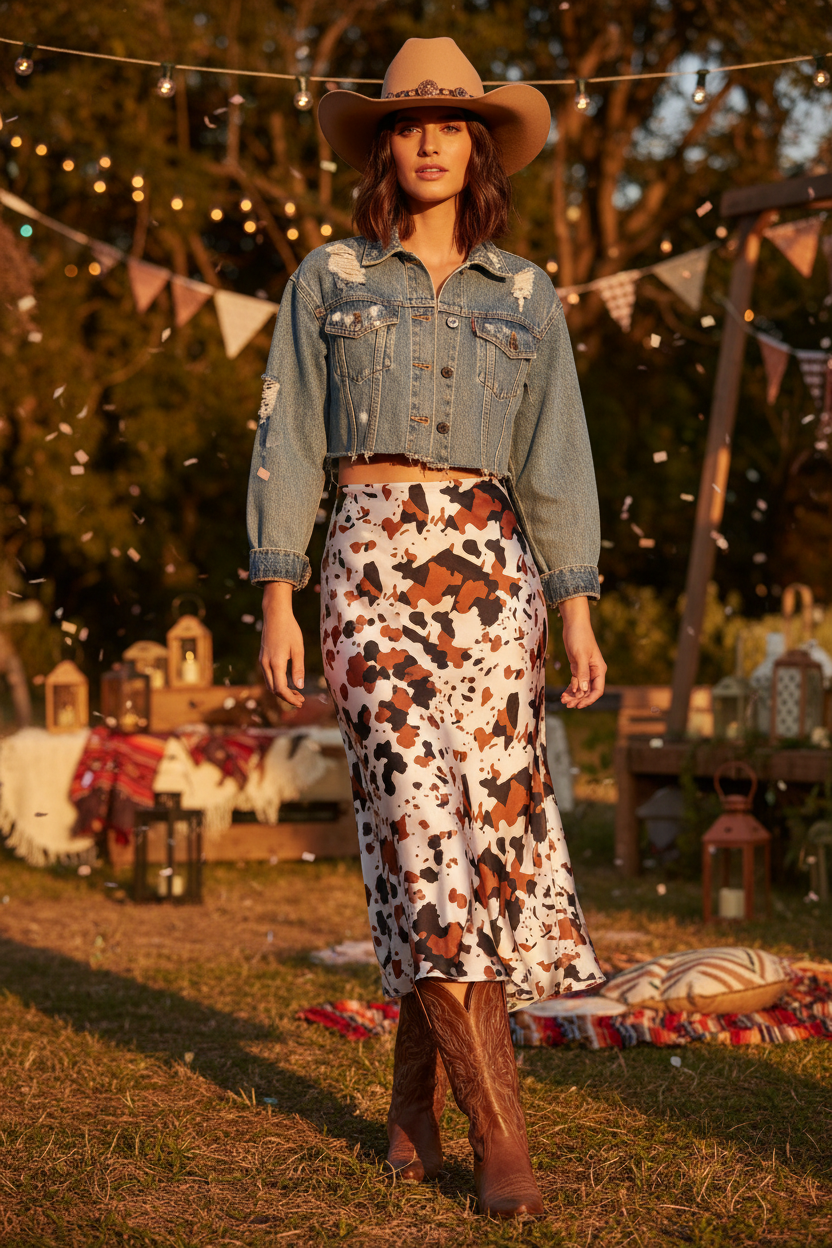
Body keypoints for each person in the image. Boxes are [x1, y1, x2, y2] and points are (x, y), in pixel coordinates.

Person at [247, 36, 607, 1220]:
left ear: (480, 145)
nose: (430, 142)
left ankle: (415, 1101)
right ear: (384, 146)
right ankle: (502, 1135)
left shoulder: (525, 293)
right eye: (409, 123)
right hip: (365, 565)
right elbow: (289, 436)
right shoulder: (328, 278)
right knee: (414, 824)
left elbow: (556, 454)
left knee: (478, 839)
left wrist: (574, 604)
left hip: (493, 576)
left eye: (451, 122)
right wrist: (277, 591)